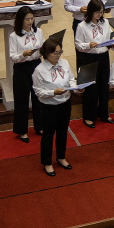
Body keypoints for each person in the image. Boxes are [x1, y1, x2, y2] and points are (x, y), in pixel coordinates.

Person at [32, 38, 81, 176]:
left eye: (60, 52)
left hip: (65, 103)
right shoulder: (39, 70)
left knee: (63, 131)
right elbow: (38, 92)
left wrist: (77, 88)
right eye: (55, 53)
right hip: (49, 106)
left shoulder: (64, 63)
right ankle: (47, 162)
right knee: (48, 134)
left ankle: (61, 157)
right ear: (46, 53)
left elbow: (71, 79)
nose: (58, 55)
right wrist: (53, 92)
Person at [75, 0, 114, 128]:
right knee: (90, 88)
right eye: (97, 12)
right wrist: (88, 45)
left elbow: (109, 38)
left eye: (101, 12)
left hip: (103, 57)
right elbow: (78, 44)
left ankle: (103, 113)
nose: (99, 14)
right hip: (89, 58)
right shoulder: (82, 26)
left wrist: (112, 43)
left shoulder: (105, 22)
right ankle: (89, 116)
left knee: (104, 86)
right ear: (91, 11)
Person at [10, 6, 44, 143]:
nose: (30, 21)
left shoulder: (38, 32)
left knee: (38, 97)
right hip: (21, 68)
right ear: (20, 20)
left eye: (31, 18)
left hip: (36, 66)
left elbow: (43, 48)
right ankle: (22, 130)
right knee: (22, 100)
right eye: (27, 19)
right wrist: (23, 54)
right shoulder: (14, 36)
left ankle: (40, 126)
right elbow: (13, 57)